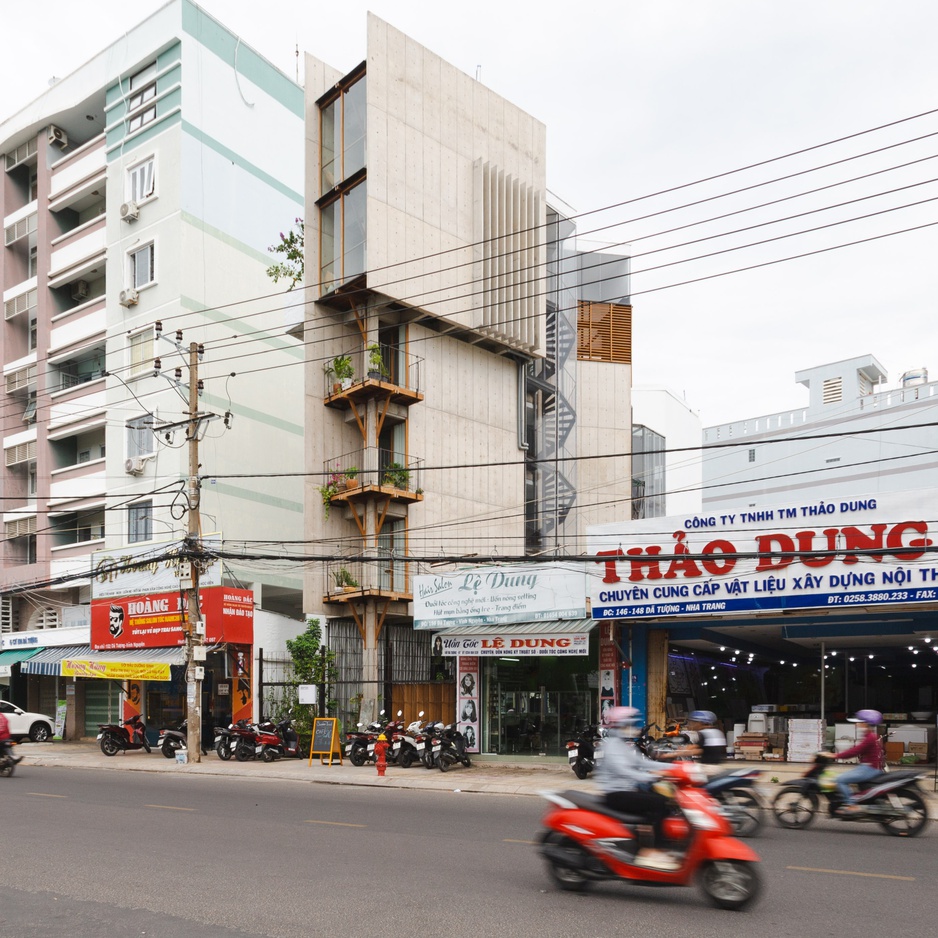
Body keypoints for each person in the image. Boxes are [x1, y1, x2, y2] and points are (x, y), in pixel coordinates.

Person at [595, 706, 682, 871]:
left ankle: (642, 844)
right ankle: (653, 851)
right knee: (660, 803)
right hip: (616, 794)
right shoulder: (612, 746)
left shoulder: (624, 745)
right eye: (629, 724)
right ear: (620, 725)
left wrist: (671, 768)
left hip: (628, 790)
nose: (633, 728)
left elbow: (642, 763)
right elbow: (624, 771)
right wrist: (653, 776)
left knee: (664, 801)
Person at [817, 708, 885, 811]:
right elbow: (859, 750)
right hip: (870, 767)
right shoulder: (872, 736)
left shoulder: (870, 737)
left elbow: (854, 751)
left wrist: (834, 755)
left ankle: (851, 804)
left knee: (840, 780)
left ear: (865, 724)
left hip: (869, 768)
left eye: (859, 722)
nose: (856, 724)